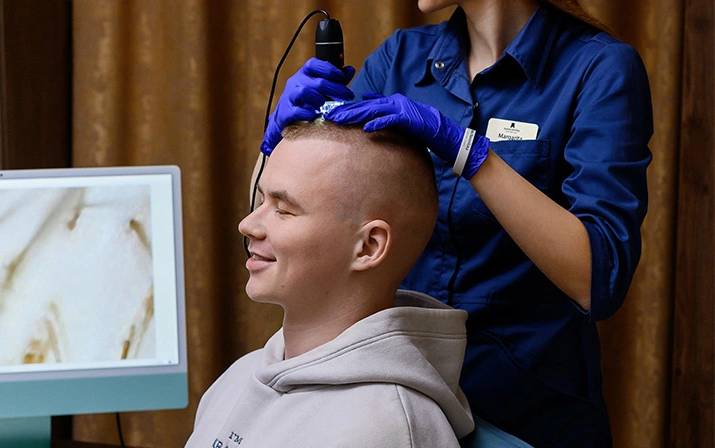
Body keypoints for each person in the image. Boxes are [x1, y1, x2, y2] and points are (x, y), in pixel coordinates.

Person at [260, 1, 653, 446]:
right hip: (398, 402)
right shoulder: (400, 59)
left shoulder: (599, 68)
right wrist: (276, 138)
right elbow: (293, 219)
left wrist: (470, 153)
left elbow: (598, 280)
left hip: (527, 411)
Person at [187, 119, 474, 447]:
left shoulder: (385, 428)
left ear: (368, 247)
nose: (247, 224)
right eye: (261, 200)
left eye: (284, 210)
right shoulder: (237, 379)